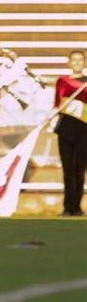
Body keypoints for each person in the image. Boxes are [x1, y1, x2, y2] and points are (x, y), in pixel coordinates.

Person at [54, 50, 87, 216]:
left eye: (80, 60)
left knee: (79, 169)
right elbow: (57, 105)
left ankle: (77, 207)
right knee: (67, 170)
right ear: (69, 62)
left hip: (84, 131)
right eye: (74, 60)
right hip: (66, 130)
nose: (77, 62)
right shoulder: (62, 81)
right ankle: (68, 207)